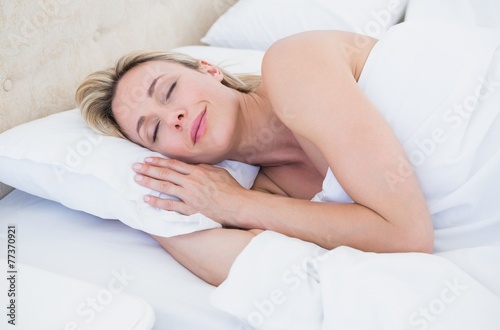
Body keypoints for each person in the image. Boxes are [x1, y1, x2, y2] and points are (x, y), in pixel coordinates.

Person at [75, 24, 500, 286]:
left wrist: (237, 203)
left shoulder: (291, 65)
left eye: (168, 91)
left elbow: (407, 237)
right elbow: (247, 270)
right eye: (155, 130)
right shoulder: (273, 195)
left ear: (209, 69)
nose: (176, 117)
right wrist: (137, 212)